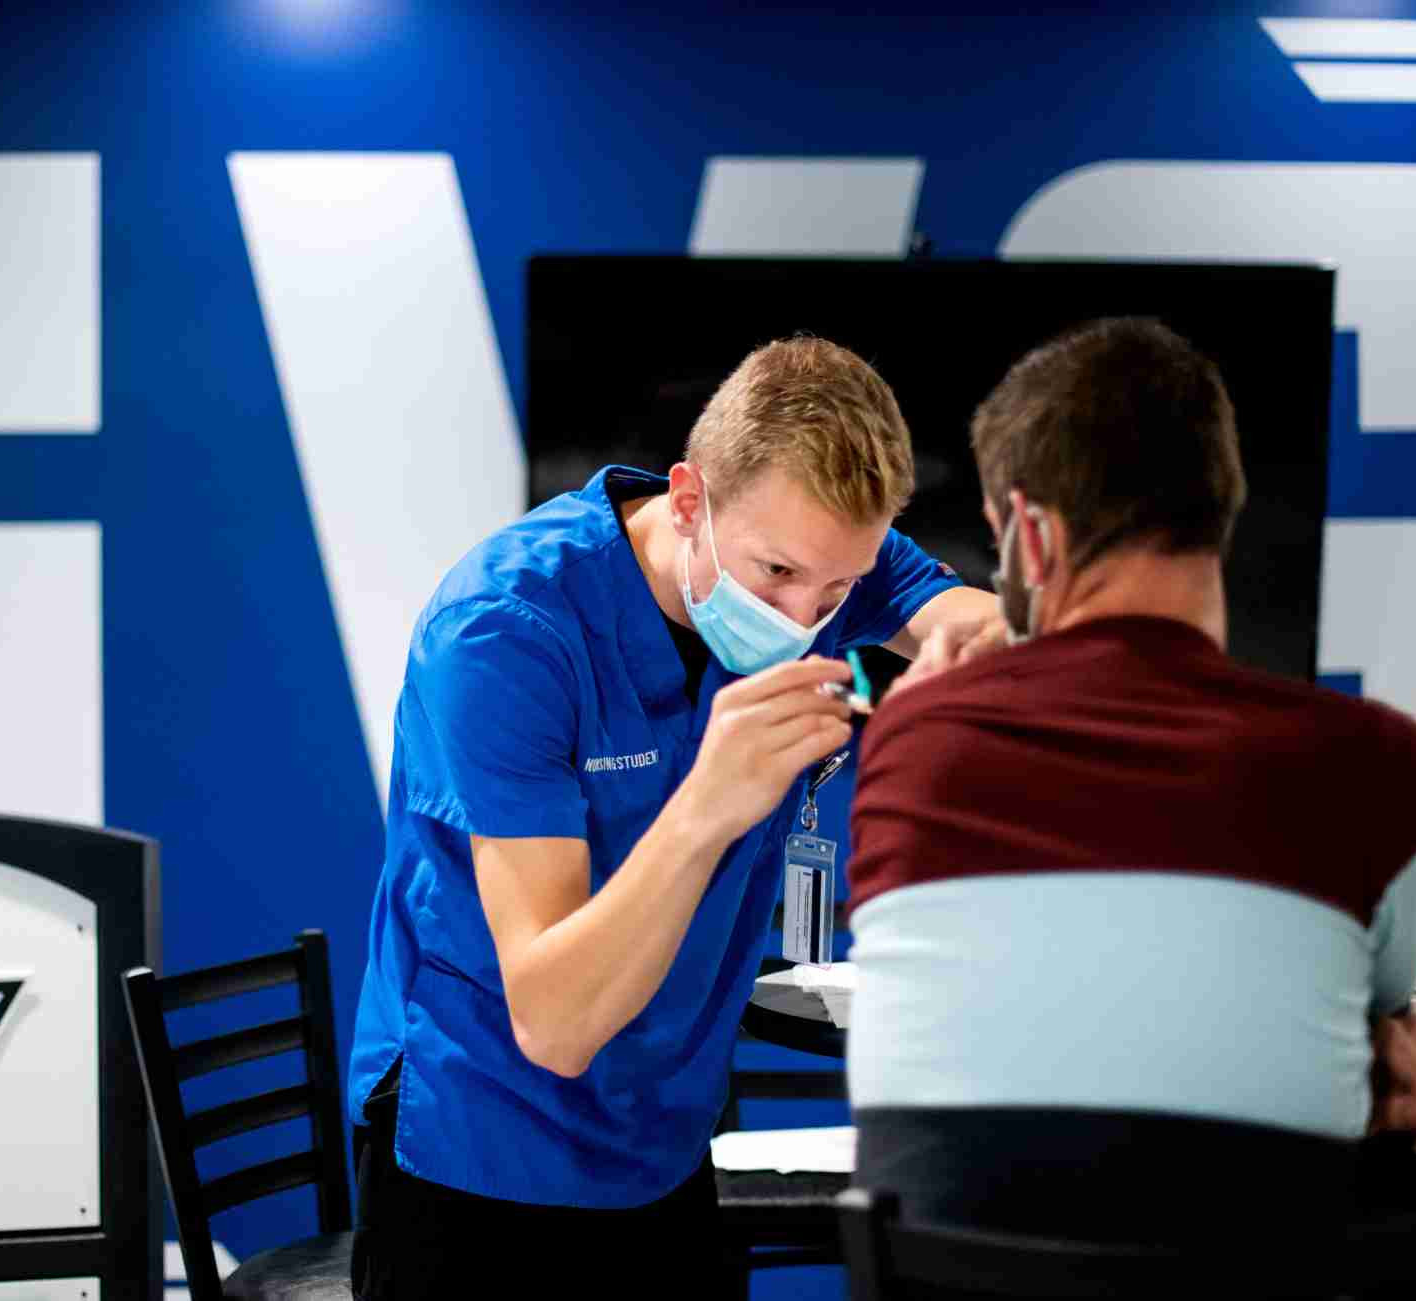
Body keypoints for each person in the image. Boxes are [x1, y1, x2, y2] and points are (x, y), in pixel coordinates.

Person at [346, 336, 1000, 1297]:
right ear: (690, 499)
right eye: (775, 573)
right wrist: (707, 802)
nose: (803, 616)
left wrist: (907, 679)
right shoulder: (505, 630)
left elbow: (981, 634)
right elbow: (554, 1020)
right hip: (484, 1142)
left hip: (669, 1133)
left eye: (835, 589)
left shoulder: (822, 550)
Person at [842, 316, 1416, 1241]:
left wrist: (930, 713)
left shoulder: (913, 737)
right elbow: (1385, 1039)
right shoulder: (1383, 766)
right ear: (1224, 505)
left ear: (1033, 538)